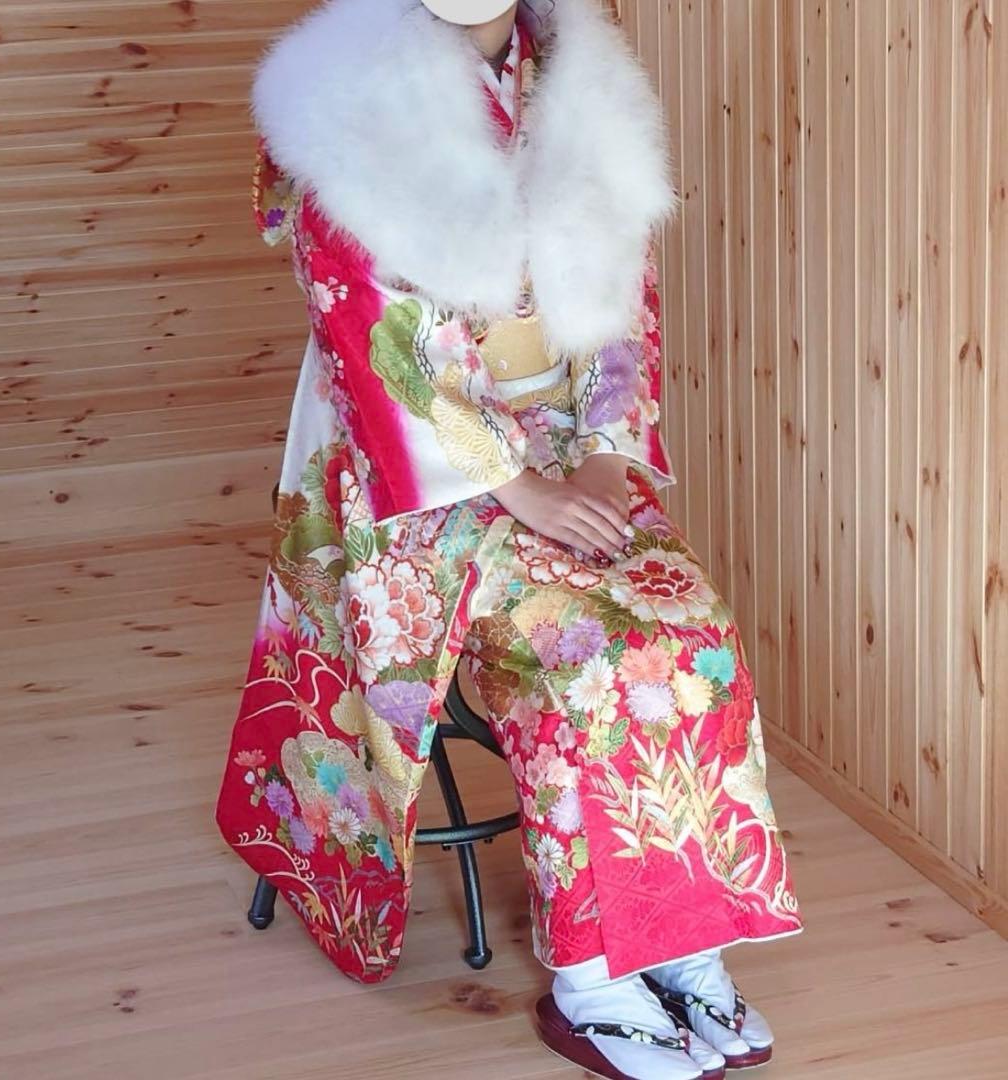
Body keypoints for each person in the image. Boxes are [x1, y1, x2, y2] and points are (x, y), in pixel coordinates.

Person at [214, 1, 803, 1076]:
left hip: (567, 446)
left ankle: (683, 944)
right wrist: (516, 485)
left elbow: (624, 294)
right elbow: (365, 328)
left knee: (688, 632)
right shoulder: (343, 89)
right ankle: (595, 978)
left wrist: (609, 450)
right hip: (411, 468)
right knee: (587, 656)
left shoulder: (578, 69)